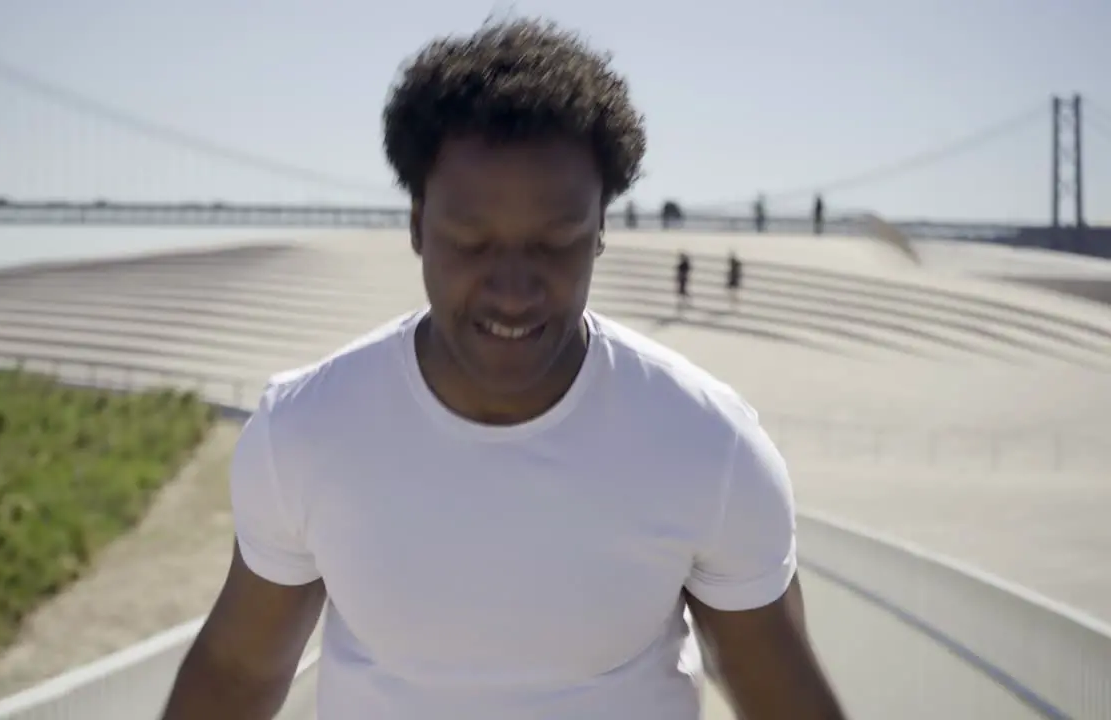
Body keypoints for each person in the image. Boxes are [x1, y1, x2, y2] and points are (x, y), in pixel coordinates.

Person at [160, 17, 844, 720]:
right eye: (471, 242)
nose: (513, 289)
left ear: (601, 230)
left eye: (555, 243)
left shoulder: (710, 445)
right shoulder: (305, 429)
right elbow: (237, 676)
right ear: (418, 225)